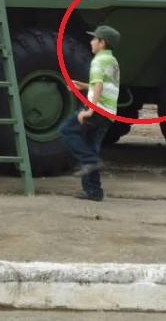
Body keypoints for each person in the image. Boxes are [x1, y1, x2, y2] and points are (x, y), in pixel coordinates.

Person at [60, 25, 121, 202]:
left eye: (94, 39)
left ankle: (89, 161)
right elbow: (104, 85)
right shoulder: (112, 61)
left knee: (67, 130)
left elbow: (99, 86)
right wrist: (81, 85)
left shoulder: (98, 61)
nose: (91, 42)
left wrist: (90, 110)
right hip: (109, 113)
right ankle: (94, 191)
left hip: (97, 110)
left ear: (102, 43)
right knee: (91, 147)